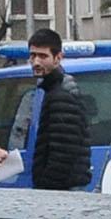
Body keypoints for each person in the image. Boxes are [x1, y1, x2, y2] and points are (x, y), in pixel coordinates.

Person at [11, 26, 92, 190]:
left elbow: (63, 154)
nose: (36, 62)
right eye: (32, 56)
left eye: (43, 56)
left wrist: (46, 188)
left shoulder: (61, 95)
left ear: (58, 58)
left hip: (63, 191)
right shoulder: (55, 89)